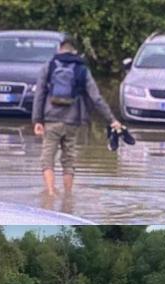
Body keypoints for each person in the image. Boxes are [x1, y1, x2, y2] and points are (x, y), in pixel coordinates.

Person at [32, 36, 122, 196]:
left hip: (51, 118)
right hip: (73, 120)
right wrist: (112, 119)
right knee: (69, 159)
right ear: (75, 51)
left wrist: (37, 120)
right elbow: (96, 97)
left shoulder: (50, 65)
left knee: (47, 157)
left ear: (59, 48)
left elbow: (39, 93)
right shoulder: (82, 69)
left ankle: (51, 192)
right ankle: (68, 195)